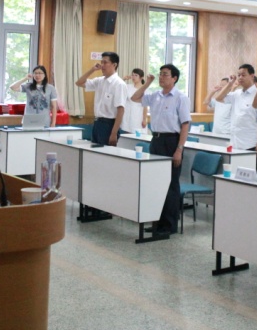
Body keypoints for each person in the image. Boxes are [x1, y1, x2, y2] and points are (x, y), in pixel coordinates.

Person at [131, 64, 191, 238]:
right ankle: (157, 223)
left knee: (170, 184)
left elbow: (185, 125)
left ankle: (169, 225)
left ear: (174, 78)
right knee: (156, 183)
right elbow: (135, 97)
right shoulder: (155, 95)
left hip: (172, 142)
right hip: (156, 141)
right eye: (160, 74)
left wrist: (179, 149)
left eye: (165, 74)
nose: (161, 77)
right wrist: (148, 82)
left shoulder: (181, 97)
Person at [214, 64, 257, 165]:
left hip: (250, 145)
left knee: (249, 174)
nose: (240, 77)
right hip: (235, 144)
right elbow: (218, 98)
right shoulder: (237, 94)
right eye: (238, 75)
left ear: (252, 76)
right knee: (234, 173)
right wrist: (230, 83)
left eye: (243, 75)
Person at [75, 52, 127, 146]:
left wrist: (114, 133)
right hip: (97, 123)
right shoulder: (99, 81)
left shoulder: (119, 84)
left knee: (106, 154)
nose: (102, 65)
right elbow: (79, 83)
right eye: (101, 62)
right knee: (94, 152)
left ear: (114, 65)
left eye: (105, 62)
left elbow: (120, 110)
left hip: (109, 125)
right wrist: (92, 70)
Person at [121, 69, 149, 133]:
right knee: (126, 133)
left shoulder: (145, 90)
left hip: (138, 114)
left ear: (141, 77)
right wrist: (123, 79)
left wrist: (144, 119)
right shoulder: (128, 87)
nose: (133, 77)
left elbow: (145, 106)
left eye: (136, 75)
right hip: (127, 113)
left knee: (137, 133)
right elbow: (118, 88)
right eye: (132, 75)